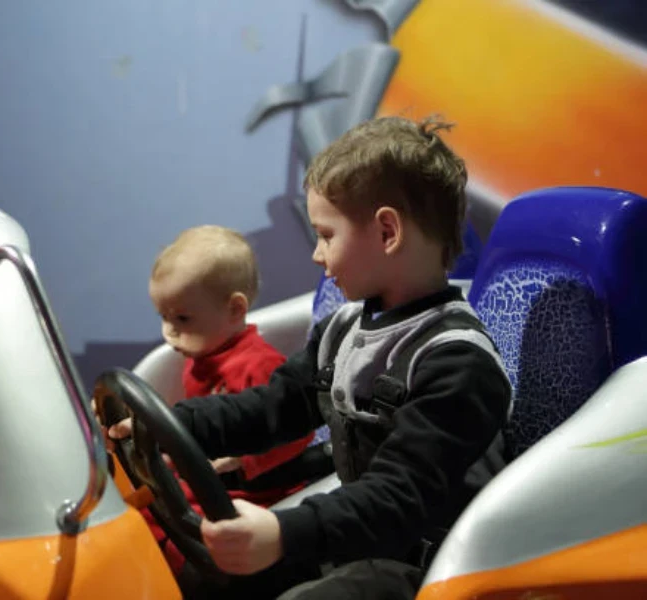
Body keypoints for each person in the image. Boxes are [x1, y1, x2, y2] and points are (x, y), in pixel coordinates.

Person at [108, 116, 511, 599]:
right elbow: (273, 406)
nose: (318, 256)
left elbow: (400, 496)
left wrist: (284, 534)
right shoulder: (344, 330)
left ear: (387, 232)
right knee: (203, 579)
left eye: (326, 235)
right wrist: (175, 424)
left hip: (430, 563)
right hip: (362, 536)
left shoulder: (457, 365)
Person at [144, 224, 315, 573]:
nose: (170, 331)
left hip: (258, 491)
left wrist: (242, 461)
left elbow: (297, 429)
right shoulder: (201, 357)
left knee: (182, 537)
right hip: (206, 475)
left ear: (235, 309)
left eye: (182, 318)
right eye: (164, 316)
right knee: (147, 511)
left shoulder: (260, 366)